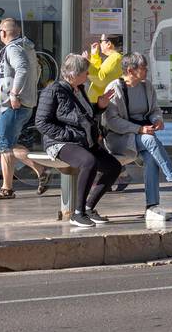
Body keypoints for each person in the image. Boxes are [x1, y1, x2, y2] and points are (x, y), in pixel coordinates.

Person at [103, 53, 172, 230]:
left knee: (152, 158)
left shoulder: (147, 87)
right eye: (143, 68)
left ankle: (152, 207)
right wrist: (138, 129)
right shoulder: (115, 88)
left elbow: (154, 109)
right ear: (130, 70)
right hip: (119, 138)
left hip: (142, 134)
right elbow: (111, 121)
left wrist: (157, 119)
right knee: (150, 141)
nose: (146, 71)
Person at [36, 53, 122, 228]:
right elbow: (41, 123)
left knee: (114, 167)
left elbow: (84, 116)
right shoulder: (53, 91)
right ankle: (78, 213)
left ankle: (89, 207)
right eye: (85, 73)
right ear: (73, 74)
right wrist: (68, 135)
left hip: (83, 140)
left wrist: (99, 107)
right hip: (59, 142)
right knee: (88, 162)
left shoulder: (80, 88)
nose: (88, 76)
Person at [0, 18, 50, 201]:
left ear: (3, 33)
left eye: (0, 31)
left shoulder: (13, 48)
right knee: (9, 144)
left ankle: (7, 188)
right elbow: (37, 70)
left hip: (13, 105)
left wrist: (14, 93)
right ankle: (40, 169)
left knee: (4, 146)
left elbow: (22, 68)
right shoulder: (26, 48)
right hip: (22, 104)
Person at [85, 34, 123, 106]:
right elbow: (99, 72)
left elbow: (101, 79)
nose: (100, 44)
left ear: (108, 44)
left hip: (104, 105)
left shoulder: (116, 58)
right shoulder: (113, 58)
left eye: (101, 41)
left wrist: (87, 64)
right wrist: (94, 56)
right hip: (99, 103)